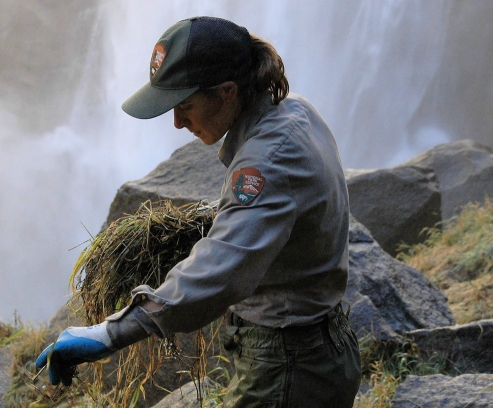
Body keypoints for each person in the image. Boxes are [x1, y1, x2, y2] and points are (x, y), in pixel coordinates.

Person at [36, 16, 361, 407]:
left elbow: (222, 271)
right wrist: (213, 220)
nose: (176, 122)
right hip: (313, 349)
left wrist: (108, 334)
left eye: (185, 106)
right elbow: (284, 213)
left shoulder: (267, 161)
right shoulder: (295, 113)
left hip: (288, 367)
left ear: (227, 91)